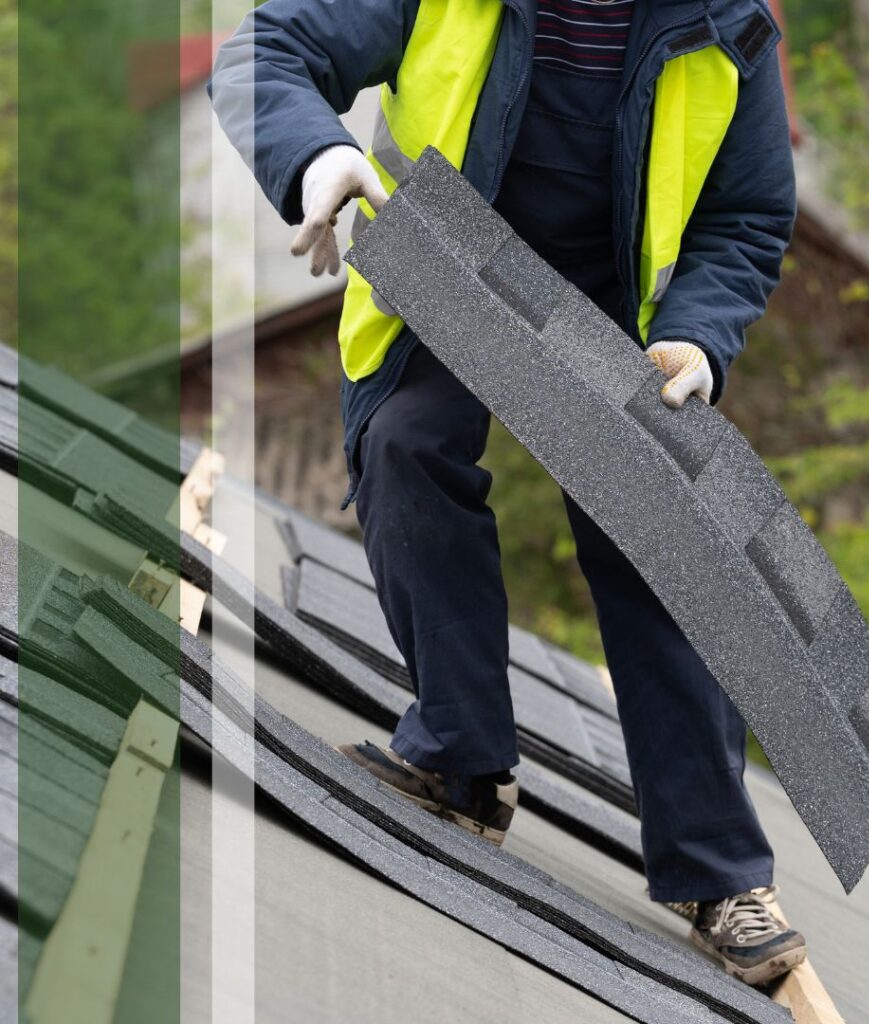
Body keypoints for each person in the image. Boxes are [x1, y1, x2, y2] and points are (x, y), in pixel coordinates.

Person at [211, 0, 804, 986]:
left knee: (663, 532)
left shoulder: (727, 24)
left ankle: (717, 873)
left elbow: (744, 219)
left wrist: (700, 334)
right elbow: (270, 50)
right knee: (406, 446)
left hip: (617, 314)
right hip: (451, 272)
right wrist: (313, 157)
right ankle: (460, 762)